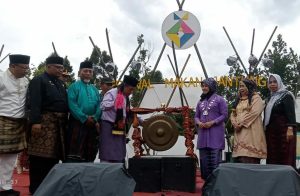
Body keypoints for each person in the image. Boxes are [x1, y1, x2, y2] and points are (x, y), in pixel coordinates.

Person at [27, 56, 68, 194]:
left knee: (54, 158)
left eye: (61, 68)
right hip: (43, 123)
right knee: (39, 158)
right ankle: (36, 189)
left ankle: (49, 189)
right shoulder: (39, 80)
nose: (60, 70)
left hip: (58, 126)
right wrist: (35, 122)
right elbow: (34, 103)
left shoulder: (60, 83)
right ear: (48, 66)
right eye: (57, 67)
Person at [0, 54, 30, 196]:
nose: (26, 70)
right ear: (12, 66)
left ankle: (5, 187)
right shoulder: (1, 78)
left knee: (11, 156)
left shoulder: (25, 80)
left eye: (27, 67)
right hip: (2, 120)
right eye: (23, 68)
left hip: (19, 121)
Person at [65, 61, 100, 162]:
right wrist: (84, 118)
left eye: (90, 71)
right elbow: (72, 105)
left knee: (90, 153)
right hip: (77, 123)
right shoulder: (73, 87)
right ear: (79, 72)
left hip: (92, 123)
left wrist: (95, 117)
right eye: (85, 71)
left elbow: (99, 105)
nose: (88, 73)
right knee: (75, 153)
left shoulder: (95, 89)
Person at [99, 75, 138, 163]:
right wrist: (115, 102)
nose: (131, 92)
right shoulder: (112, 92)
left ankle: (118, 170)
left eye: (133, 90)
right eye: (130, 89)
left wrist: (142, 120)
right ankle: (106, 171)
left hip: (119, 126)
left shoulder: (126, 97)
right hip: (108, 126)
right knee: (107, 152)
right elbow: (103, 106)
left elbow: (129, 111)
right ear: (125, 86)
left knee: (119, 152)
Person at [194, 78, 228, 180]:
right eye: (202, 86)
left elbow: (224, 115)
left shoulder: (220, 100)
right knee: (204, 166)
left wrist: (213, 122)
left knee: (215, 165)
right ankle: (207, 187)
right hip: (203, 137)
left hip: (215, 136)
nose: (204, 88)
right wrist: (199, 123)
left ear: (211, 87)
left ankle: (215, 188)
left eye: (206, 86)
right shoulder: (200, 102)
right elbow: (196, 116)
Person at [230, 79, 267, 163]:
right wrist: (234, 123)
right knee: (240, 158)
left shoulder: (256, 98)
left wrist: (241, 124)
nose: (240, 88)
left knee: (249, 158)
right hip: (239, 132)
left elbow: (254, 113)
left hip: (251, 131)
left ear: (249, 87)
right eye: (240, 86)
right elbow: (233, 113)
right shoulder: (238, 100)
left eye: (243, 86)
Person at [264, 74, 297, 168]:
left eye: (275, 82)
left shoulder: (286, 95)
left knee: (285, 154)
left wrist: (290, 128)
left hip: (284, 131)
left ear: (279, 82)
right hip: (272, 133)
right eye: (270, 82)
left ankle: (286, 178)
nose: (272, 84)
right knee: (272, 154)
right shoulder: (270, 98)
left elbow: (290, 113)